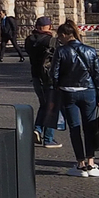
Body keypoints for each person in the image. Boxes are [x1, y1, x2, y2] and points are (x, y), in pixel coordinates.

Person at [50, 20, 99, 178]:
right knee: (90, 127)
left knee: (75, 128)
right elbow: (97, 75)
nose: (58, 39)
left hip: (68, 92)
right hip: (88, 91)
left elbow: (53, 74)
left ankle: (80, 164)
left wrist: (57, 87)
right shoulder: (90, 50)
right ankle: (91, 161)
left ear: (64, 35)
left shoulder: (61, 51)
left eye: (59, 36)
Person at [23, 18, 59, 147]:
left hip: (36, 75)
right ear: (48, 26)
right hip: (49, 77)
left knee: (44, 104)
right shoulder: (51, 41)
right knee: (52, 106)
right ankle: (48, 138)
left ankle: (37, 129)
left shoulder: (29, 40)